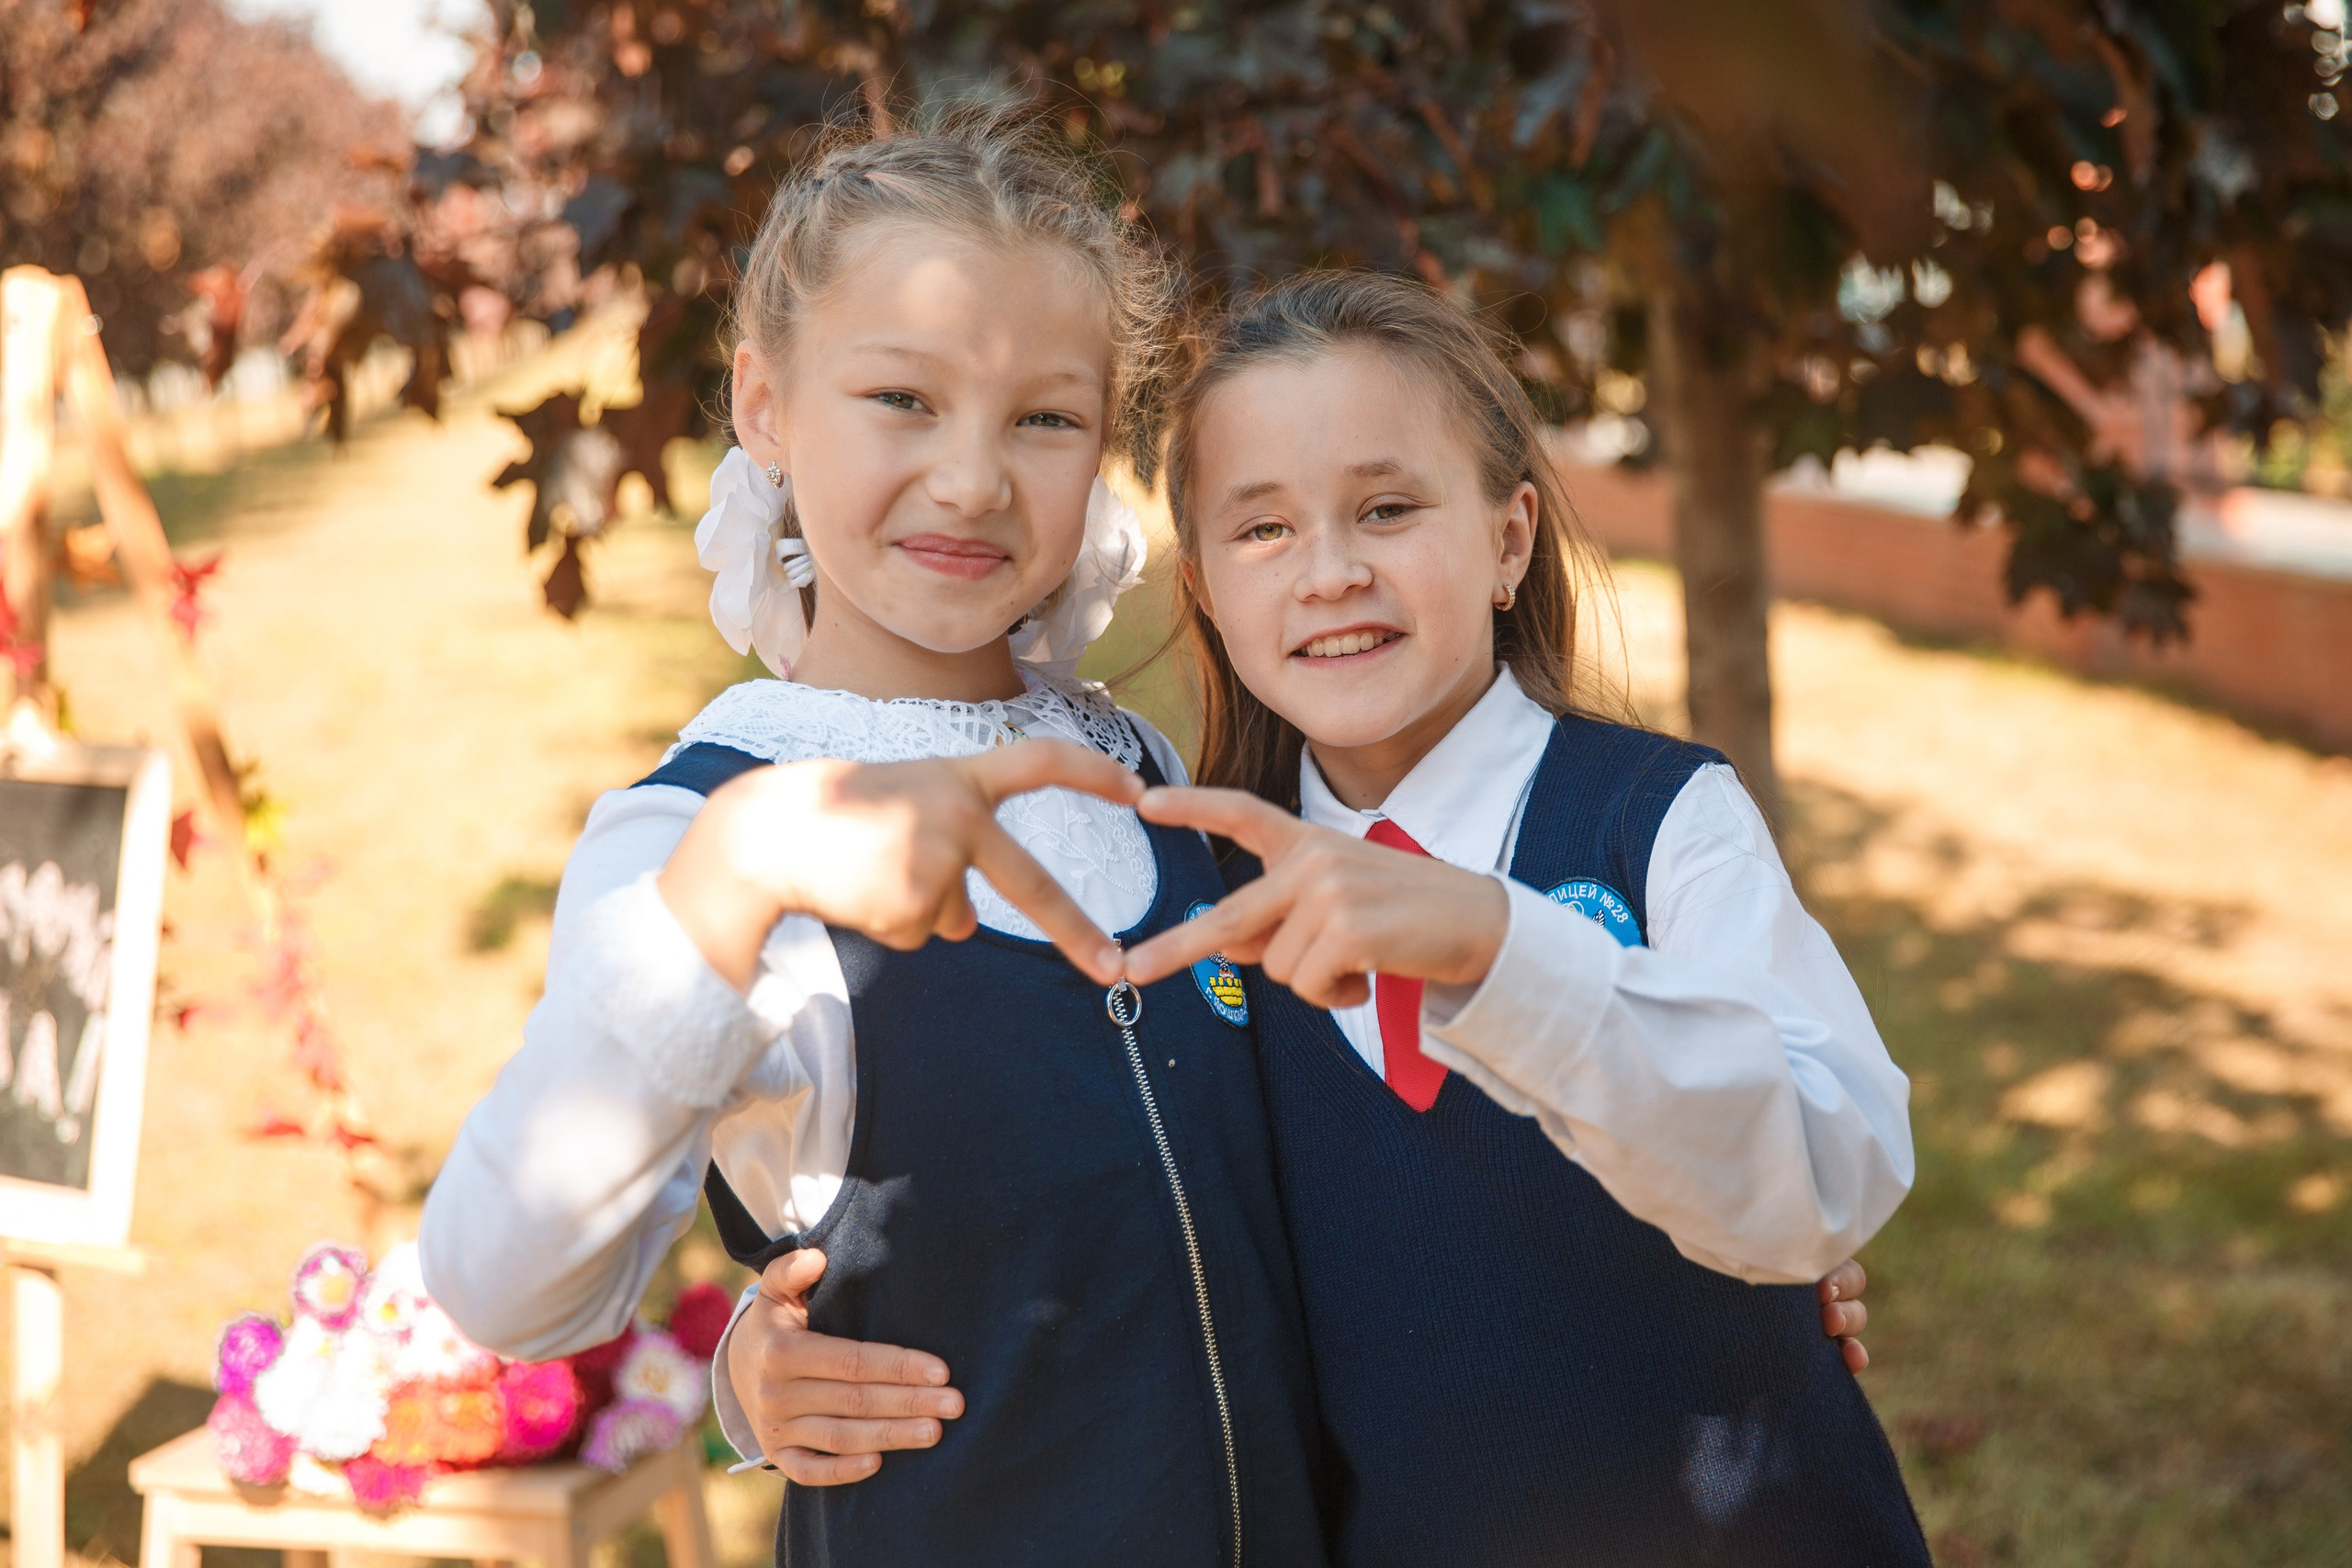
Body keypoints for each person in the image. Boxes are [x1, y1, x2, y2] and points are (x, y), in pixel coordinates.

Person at [741, 270, 1924, 1567]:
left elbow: (1830, 1165)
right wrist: (755, 1366)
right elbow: (1098, 1210)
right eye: (1264, 531)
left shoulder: (1656, 822)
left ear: (1510, 540)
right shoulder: (1194, 888)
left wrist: (1498, 944)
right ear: (1206, 591)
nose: (1332, 573)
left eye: (1388, 508)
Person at [417, 111, 1327, 1568]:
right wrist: (738, 873)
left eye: (1045, 418)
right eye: (903, 396)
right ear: (766, 405)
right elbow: (504, 1287)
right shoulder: (700, 833)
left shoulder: (1137, 767)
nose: (974, 480)